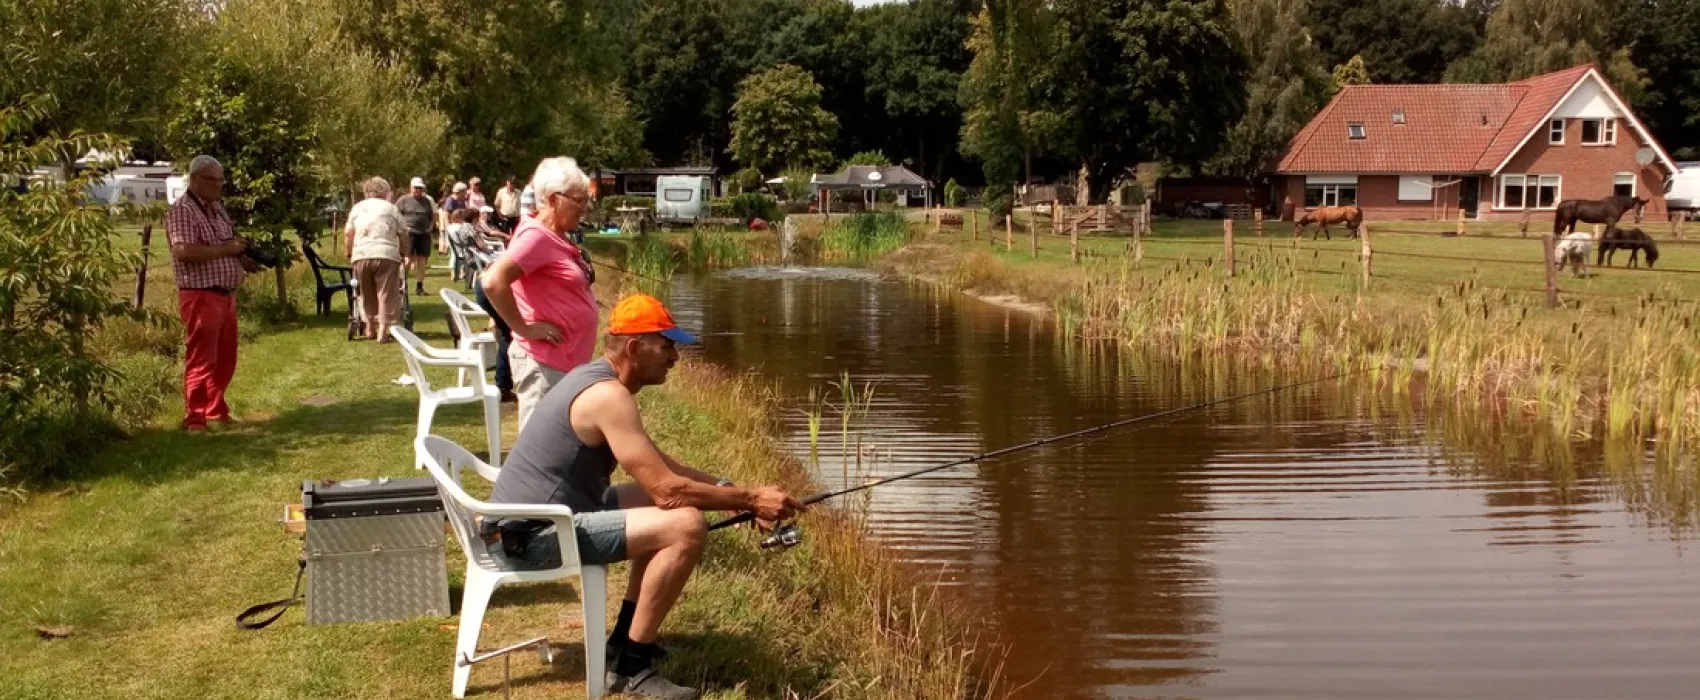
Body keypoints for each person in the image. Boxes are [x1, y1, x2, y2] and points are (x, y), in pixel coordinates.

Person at [485, 292, 804, 700]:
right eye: (667, 346)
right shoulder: (608, 396)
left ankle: (622, 641)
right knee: (685, 525)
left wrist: (735, 493)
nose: (675, 357)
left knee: (657, 503)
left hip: (539, 521)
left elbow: (662, 468)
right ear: (635, 348)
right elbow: (668, 491)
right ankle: (632, 669)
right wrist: (752, 498)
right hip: (527, 537)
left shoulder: (597, 380)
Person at [482, 157, 600, 430]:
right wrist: (522, 328)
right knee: (537, 444)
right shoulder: (536, 236)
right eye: (578, 200)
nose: (584, 208)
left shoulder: (555, 234)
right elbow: (493, 281)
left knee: (556, 441)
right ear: (554, 199)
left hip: (562, 362)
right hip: (544, 364)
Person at [165, 155, 259, 432]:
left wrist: (241, 258)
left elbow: (225, 244)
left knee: (225, 358)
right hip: (201, 294)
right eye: (212, 180)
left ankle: (215, 410)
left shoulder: (217, 208)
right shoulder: (183, 210)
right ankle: (195, 418)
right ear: (195, 179)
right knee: (202, 357)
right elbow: (183, 251)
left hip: (225, 294)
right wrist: (225, 250)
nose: (218, 185)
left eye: (221, 180)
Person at [343, 176, 406, 343]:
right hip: (386, 253)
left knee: (365, 291)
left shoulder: (357, 208)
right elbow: (403, 232)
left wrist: (348, 252)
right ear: (385, 192)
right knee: (386, 292)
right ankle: (383, 331)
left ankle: (369, 326)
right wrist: (404, 251)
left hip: (362, 253)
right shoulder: (391, 208)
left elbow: (348, 233)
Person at [395, 177, 437, 296]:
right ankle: (402, 284)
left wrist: (431, 226)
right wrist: (402, 229)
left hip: (424, 233)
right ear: (411, 188)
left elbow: (433, 214)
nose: (418, 190)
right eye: (416, 188)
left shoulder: (428, 200)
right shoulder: (403, 200)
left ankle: (419, 286)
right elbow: (396, 215)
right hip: (409, 233)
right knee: (407, 260)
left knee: (422, 261)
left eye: (420, 188)